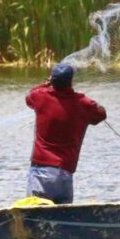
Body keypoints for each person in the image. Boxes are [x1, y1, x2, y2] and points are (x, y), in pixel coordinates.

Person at [24, 63, 106, 204]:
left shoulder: (40, 96)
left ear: (52, 81)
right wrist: (83, 98)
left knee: (34, 215)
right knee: (63, 218)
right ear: (71, 81)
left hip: (40, 173)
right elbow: (101, 114)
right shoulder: (82, 103)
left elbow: (29, 97)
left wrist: (45, 83)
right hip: (64, 174)